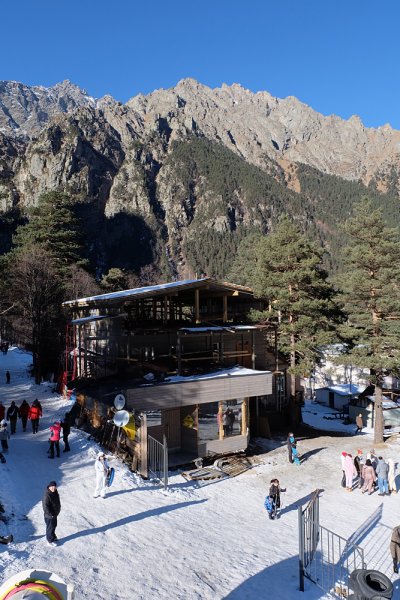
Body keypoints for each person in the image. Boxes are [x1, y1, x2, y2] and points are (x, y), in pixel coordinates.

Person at [42, 481, 61, 547]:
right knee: (50, 528)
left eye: (54, 487)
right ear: (49, 487)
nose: (53, 488)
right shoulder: (47, 495)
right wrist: (51, 514)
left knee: (54, 526)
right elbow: (45, 507)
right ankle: (49, 541)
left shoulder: (55, 492)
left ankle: (53, 537)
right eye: (52, 487)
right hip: (49, 516)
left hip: (54, 514)